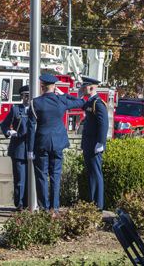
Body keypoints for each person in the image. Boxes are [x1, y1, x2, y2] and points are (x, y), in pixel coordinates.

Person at [27, 74, 85, 210]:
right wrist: (65, 94)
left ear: (42, 87)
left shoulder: (35, 103)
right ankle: (55, 208)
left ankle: (44, 208)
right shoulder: (61, 100)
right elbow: (81, 102)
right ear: (54, 87)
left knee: (41, 175)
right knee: (55, 175)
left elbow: (31, 128)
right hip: (58, 142)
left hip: (41, 143)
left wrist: (30, 149)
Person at [78, 76, 109, 210]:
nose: (82, 89)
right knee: (92, 174)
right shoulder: (91, 102)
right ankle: (93, 203)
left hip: (94, 144)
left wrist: (101, 142)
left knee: (96, 174)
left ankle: (98, 205)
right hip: (89, 144)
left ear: (91, 88)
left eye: (84, 87)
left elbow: (104, 123)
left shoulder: (98, 103)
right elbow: (82, 106)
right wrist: (79, 97)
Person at [1, 84, 30, 210]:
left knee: (30, 179)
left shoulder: (36, 110)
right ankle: (19, 203)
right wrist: (9, 132)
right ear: (22, 97)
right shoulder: (15, 110)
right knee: (20, 178)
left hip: (32, 150)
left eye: (29, 96)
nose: (27, 99)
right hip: (18, 149)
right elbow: (5, 125)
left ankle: (29, 202)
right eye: (25, 96)